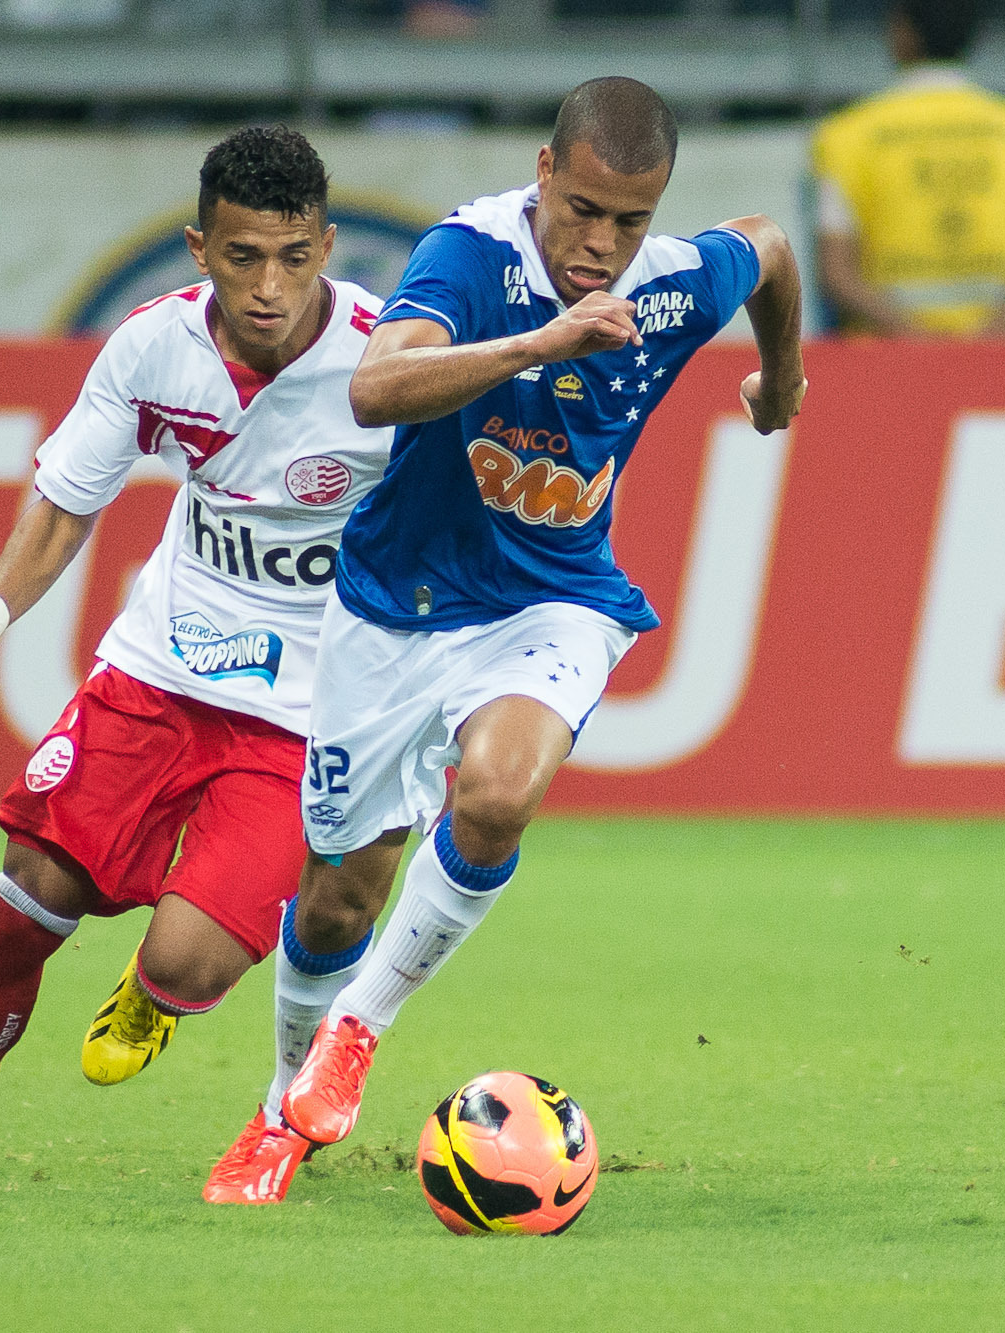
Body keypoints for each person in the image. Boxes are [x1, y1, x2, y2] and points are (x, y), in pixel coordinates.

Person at [200, 75, 806, 1202]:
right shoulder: (468, 259)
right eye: (582, 208)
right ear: (542, 172)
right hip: (392, 605)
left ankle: (357, 1034)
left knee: (497, 792)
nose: (601, 243)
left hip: (551, 600)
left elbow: (767, 247)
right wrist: (541, 340)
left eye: (630, 220)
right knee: (338, 890)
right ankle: (278, 1101)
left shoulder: (672, 283)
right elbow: (376, 390)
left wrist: (782, 372)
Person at [0, 125, 393, 1196]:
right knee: (24, 897)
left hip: (303, 717)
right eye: (241, 257)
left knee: (183, 963)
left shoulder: (386, 359)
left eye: (294, 257)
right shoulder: (149, 348)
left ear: (327, 246)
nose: (269, 287)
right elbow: (66, 500)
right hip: (158, 674)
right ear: (196, 248)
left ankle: (155, 991)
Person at [810, 0, 1005, 338]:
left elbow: (836, 272)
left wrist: (918, 340)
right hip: (998, 366)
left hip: (886, 366)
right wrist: (988, 343)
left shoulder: (846, 134)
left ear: (903, 34)